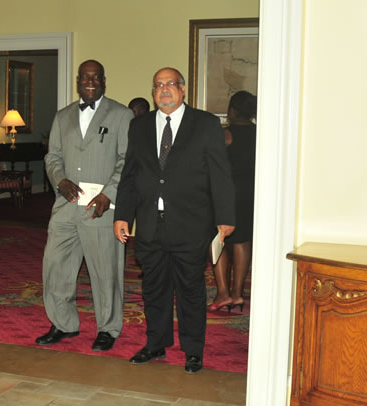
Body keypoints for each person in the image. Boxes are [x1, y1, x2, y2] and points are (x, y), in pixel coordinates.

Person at [113, 67, 235, 374]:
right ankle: (156, 343)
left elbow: (220, 174)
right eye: (158, 86)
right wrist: (122, 215)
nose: (164, 90)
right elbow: (129, 175)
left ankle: (193, 350)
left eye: (170, 84)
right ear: (153, 93)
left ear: (182, 90)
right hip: (150, 224)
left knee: (190, 290)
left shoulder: (205, 124)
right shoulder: (139, 126)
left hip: (191, 223)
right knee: (154, 288)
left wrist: (225, 217)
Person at [35, 59, 132, 352]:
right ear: (78, 81)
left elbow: (127, 159)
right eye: (85, 77)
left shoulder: (121, 114)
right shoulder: (62, 116)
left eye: (96, 77)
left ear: (104, 80)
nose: (90, 82)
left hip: (100, 208)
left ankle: (108, 328)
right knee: (56, 267)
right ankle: (63, 323)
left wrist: (109, 193)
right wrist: (60, 180)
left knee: (105, 271)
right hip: (66, 206)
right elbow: (52, 156)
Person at [209, 91, 257, 313]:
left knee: (218, 239)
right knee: (242, 242)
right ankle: (238, 294)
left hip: (226, 192)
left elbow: (210, 161)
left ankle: (222, 293)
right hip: (250, 192)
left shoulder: (226, 134)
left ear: (232, 110)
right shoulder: (260, 133)